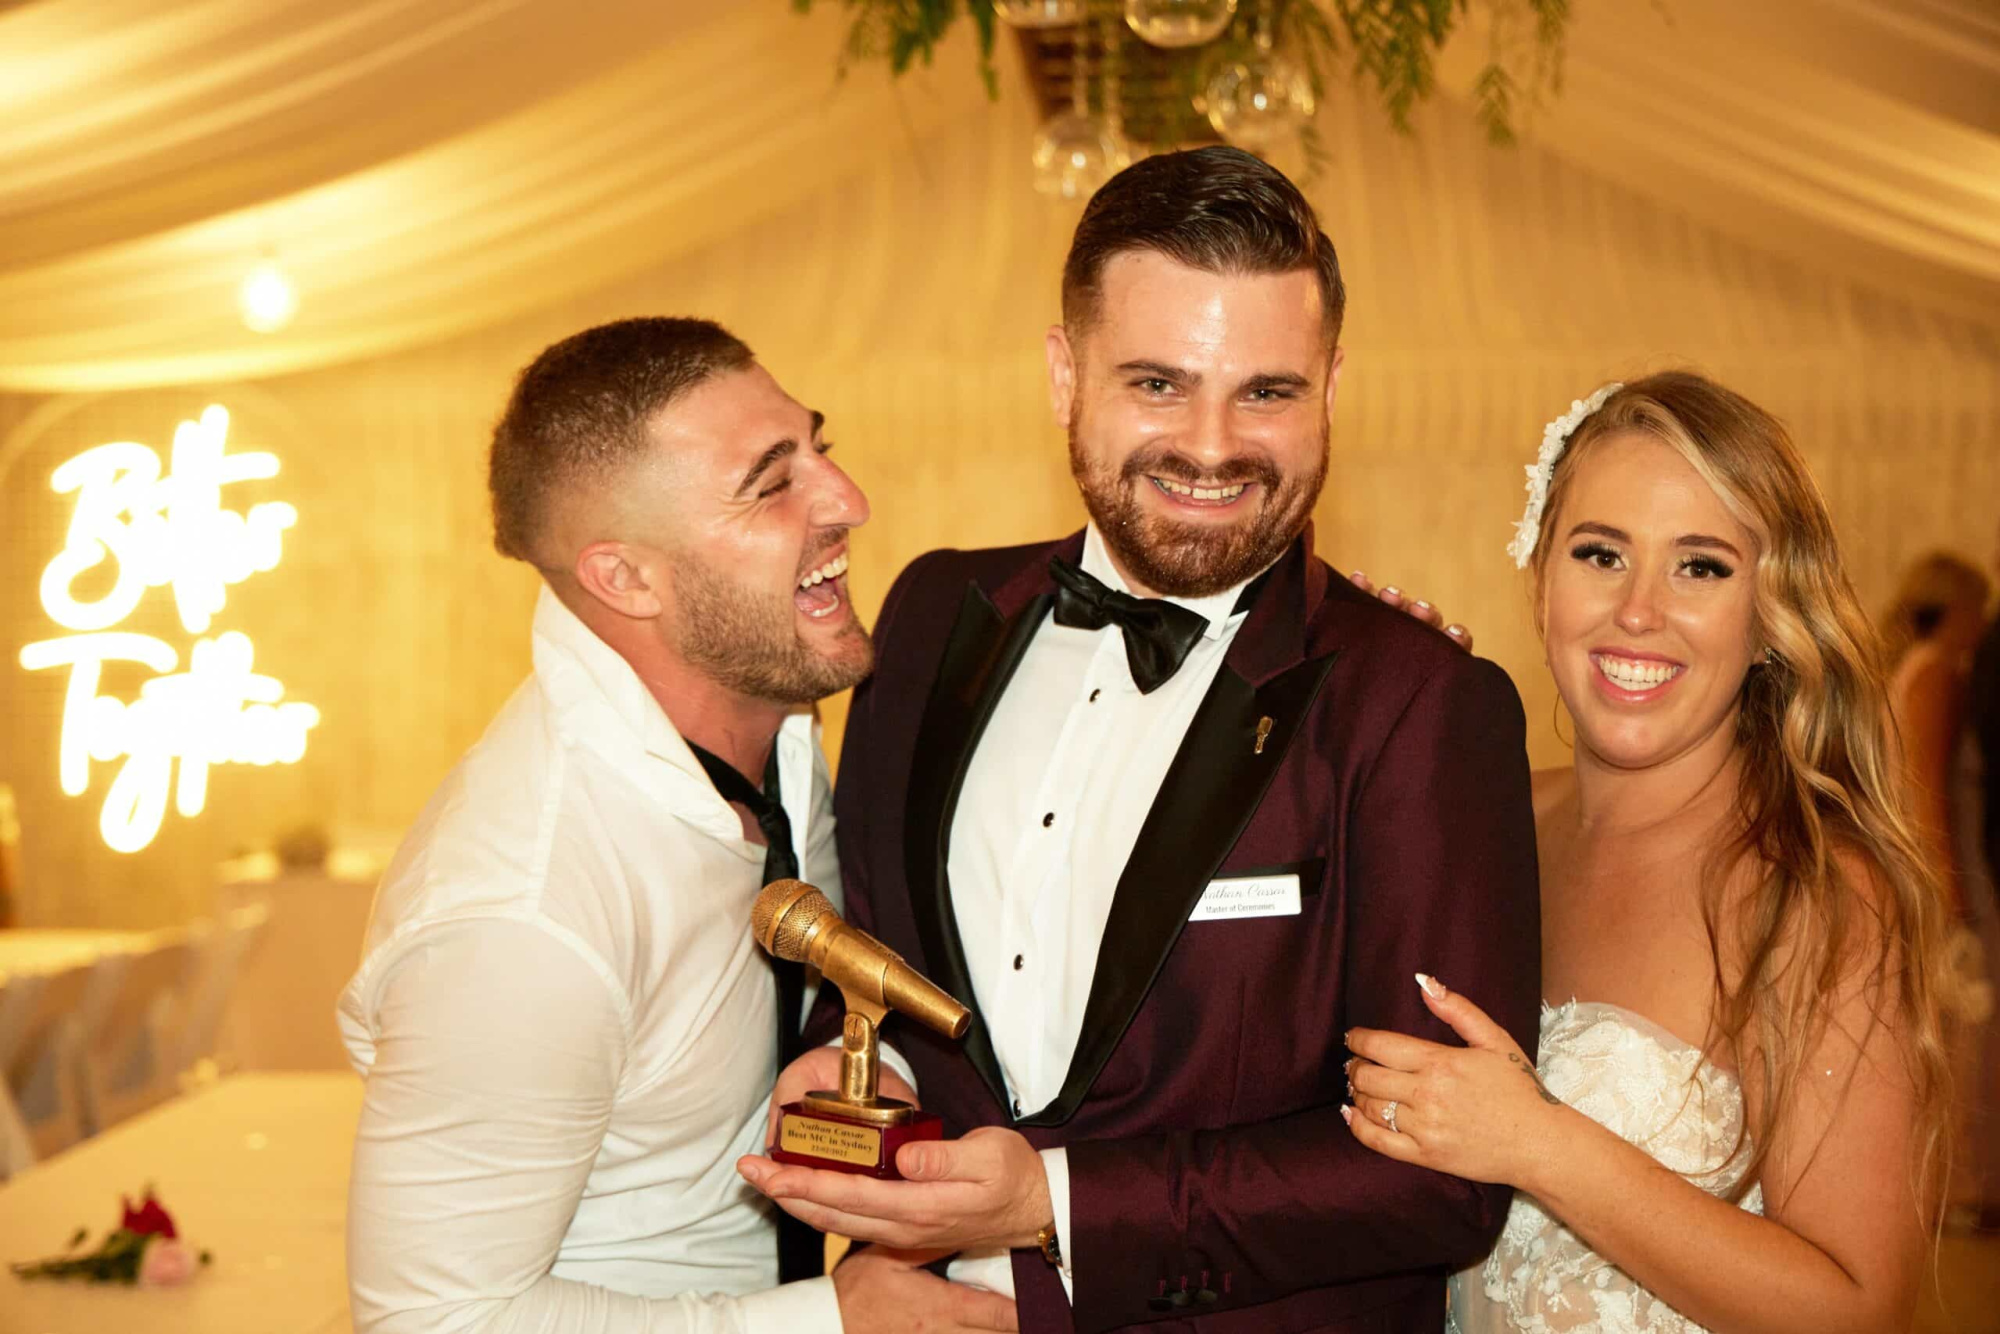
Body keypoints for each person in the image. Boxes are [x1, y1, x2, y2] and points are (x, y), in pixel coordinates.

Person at [738, 146, 1543, 1332]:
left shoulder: (1419, 703)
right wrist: (861, 1066)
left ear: (1332, 382)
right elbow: (882, 941)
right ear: (1064, 374)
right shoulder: (928, 613)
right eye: (1156, 384)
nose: (1210, 446)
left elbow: (1438, 1172)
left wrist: (1050, 1203)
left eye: (1265, 391)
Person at [337, 318, 1016, 1334]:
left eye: (817, 447)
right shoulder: (520, 913)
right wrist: (830, 1322)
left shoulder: (776, 715)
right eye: (769, 482)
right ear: (625, 578)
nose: (848, 502)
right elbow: (433, 1318)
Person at [1341, 372, 1955, 1332]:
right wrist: (1364, 721)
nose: (1638, 611)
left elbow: (1856, 1313)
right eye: (1601, 554)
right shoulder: (1471, 823)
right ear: (1541, 576)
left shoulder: (1814, 892)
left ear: (1767, 616)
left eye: (1700, 567)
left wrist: (1540, 1145)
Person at [1880, 551, 1992, 908]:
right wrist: (1948, 882)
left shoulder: (1915, 665)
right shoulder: (1934, 674)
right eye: (1979, 607)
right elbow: (1926, 783)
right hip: (1933, 860)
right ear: (1957, 611)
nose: (1984, 620)